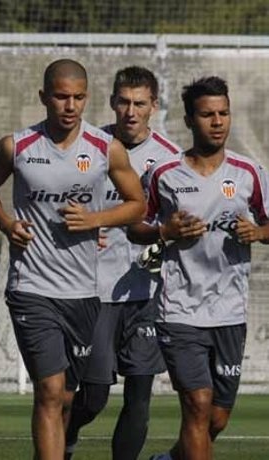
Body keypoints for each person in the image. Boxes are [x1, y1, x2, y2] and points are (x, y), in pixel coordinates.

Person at [0, 59, 146, 459]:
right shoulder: (16, 146)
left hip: (84, 293)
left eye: (77, 97)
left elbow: (137, 203)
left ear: (86, 99)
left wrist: (96, 219)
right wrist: (5, 223)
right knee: (51, 391)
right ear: (44, 97)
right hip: (32, 288)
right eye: (60, 96)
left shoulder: (106, 148)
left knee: (70, 399)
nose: (69, 105)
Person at [128, 76, 269, 460]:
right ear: (190, 120)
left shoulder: (249, 173)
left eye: (223, 113)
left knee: (217, 418)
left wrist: (257, 232)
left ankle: (168, 459)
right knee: (197, 403)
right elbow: (135, 228)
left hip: (230, 311)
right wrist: (165, 231)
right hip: (180, 310)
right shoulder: (164, 174)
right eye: (207, 114)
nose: (218, 121)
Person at [64, 66, 179, 460]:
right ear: (112, 102)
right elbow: (63, 204)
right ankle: (64, 434)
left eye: (140, 104)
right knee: (93, 396)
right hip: (95, 289)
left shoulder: (169, 158)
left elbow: (176, 217)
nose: (131, 111)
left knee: (140, 394)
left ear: (153, 107)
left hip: (146, 290)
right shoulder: (88, 146)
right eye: (124, 102)